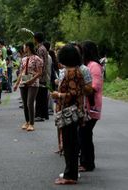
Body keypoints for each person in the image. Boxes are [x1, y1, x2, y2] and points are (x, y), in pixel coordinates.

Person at [51, 44, 87, 185]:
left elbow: (73, 94)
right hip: (72, 112)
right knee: (70, 143)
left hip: (69, 113)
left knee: (70, 144)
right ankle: (70, 172)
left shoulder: (72, 72)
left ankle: (70, 175)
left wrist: (57, 94)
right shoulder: (74, 70)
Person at [79, 41, 104, 172]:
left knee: (85, 134)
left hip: (92, 105)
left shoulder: (94, 66)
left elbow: (94, 86)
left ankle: (88, 163)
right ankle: (86, 162)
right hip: (87, 104)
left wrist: (78, 88)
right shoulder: (88, 65)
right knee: (84, 134)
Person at [14, 41, 43, 132]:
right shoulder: (23, 59)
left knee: (29, 103)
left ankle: (31, 123)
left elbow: (40, 72)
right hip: (24, 82)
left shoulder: (37, 58)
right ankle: (27, 121)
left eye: (24, 46)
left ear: (28, 47)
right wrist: (17, 83)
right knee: (25, 103)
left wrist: (31, 80)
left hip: (33, 83)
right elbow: (21, 72)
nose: (23, 48)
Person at [34, 32, 49, 121]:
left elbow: (40, 63)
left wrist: (37, 74)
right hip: (43, 75)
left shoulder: (40, 49)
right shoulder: (44, 48)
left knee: (40, 96)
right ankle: (44, 114)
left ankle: (39, 114)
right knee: (43, 95)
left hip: (41, 75)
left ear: (36, 39)